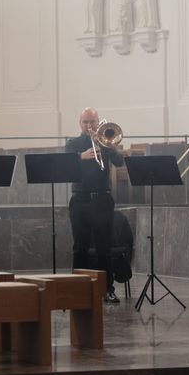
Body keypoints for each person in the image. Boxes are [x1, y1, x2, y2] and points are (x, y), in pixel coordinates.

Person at [65, 107, 124, 303]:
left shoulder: (105, 140)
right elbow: (66, 163)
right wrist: (82, 156)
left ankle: (108, 289)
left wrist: (107, 144)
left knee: (103, 248)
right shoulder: (73, 143)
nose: (89, 126)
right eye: (85, 122)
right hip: (80, 200)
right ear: (79, 124)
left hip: (102, 200)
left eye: (92, 122)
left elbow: (119, 161)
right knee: (79, 248)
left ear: (98, 122)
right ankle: (77, 290)